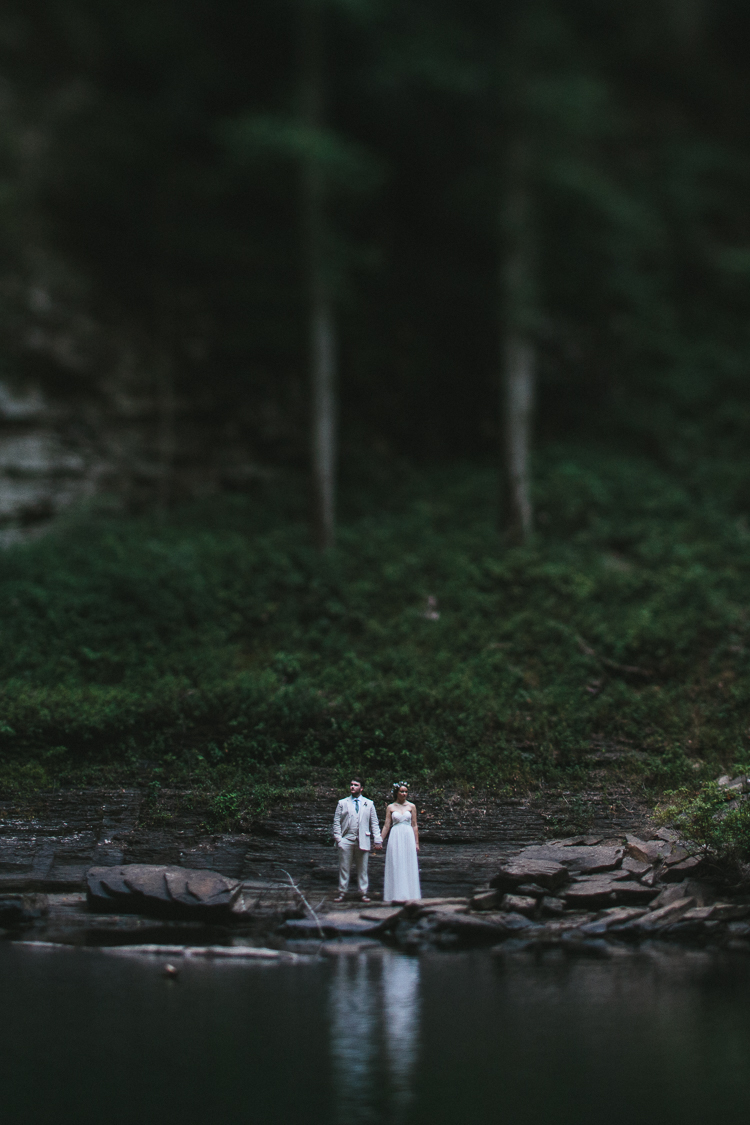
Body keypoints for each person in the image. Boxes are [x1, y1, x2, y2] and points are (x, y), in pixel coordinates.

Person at [332, 776, 383, 903]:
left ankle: (363, 893)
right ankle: (342, 893)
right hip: (346, 839)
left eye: (355, 785)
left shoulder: (369, 804)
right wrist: (339, 839)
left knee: (363, 869)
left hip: (363, 839)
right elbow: (336, 822)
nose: (352, 787)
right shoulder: (342, 803)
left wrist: (377, 839)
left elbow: (374, 823)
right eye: (351, 784)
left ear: (362, 788)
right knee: (344, 868)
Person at [381, 782, 421, 903]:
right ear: (396, 793)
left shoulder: (412, 807)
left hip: (408, 835)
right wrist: (380, 840)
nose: (404, 794)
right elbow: (387, 825)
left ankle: (410, 894)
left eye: (406, 792)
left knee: (408, 862)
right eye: (402, 791)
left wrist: (416, 842)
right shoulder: (391, 807)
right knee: (396, 861)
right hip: (396, 835)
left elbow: (414, 825)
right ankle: (395, 894)